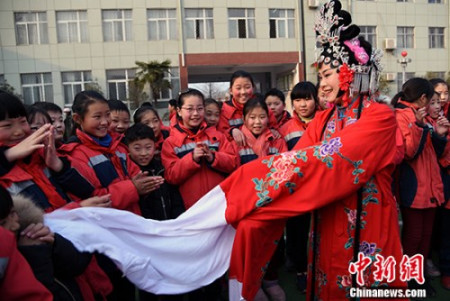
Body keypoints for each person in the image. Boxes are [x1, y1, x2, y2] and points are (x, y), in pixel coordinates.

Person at [45, 1, 407, 300]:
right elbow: (291, 163)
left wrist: (250, 182)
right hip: (325, 218)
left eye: (328, 74)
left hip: (367, 224)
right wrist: (252, 202)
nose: (322, 84)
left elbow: (324, 164)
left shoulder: (380, 117)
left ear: (350, 72)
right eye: (323, 75)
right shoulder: (324, 121)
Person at [392, 78, 450, 295]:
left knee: (425, 236)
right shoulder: (401, 115)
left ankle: (420, 277)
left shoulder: (423, 116)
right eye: (432, 99)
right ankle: (408, 281)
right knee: (414, 236)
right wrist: (418, 126)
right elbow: (408, 153)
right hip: (414, 186)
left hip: (430, 185)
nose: (436, 104)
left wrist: (440, 136)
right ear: (423, 97)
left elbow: (433, 152)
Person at [161, 88, 238, 210]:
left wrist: (213, 157)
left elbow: (233, 163)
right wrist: (191, 159)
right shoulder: (170, 142)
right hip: (189, 209)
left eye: (200, 109)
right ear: (179, 111)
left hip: (219, 205)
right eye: (190, 109)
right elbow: (171, 176)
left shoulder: (218, 136)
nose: (196, 113)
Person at [278, 81, 319, 294]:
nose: (302, 104)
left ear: (316, 99)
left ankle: (320, 268)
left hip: (322, 186)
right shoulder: (285, 128)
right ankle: (300, 269)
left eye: (307, 98)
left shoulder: (325, 122)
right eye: (297, 99)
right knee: (297, 230)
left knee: (322, 229)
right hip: (296, 188)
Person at [125, 123, 185, 221]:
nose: (143, 153)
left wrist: (178, 219)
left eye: (148, 147)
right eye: (137, 148)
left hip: (170, 224)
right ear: (127, 148)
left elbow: (175, 198)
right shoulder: (129, 173)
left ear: (155, 145)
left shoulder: (162, 168)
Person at [218, 70, 277, 146]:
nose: (243, 92)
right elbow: (220, 134)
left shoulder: (263, 106)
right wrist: (231, 131)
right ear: (231, 91)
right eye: (238, 88)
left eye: (247, 87)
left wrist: (272, 130)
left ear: (253, 88)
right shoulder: (224, 111)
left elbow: (274, 127)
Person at [237, 96, 287, 165]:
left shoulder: (277, 141)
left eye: (262, 117)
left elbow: (284, 165)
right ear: (243, 119)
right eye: (252, 117)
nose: (257, 121)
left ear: (268, 118)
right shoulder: (237, 141)